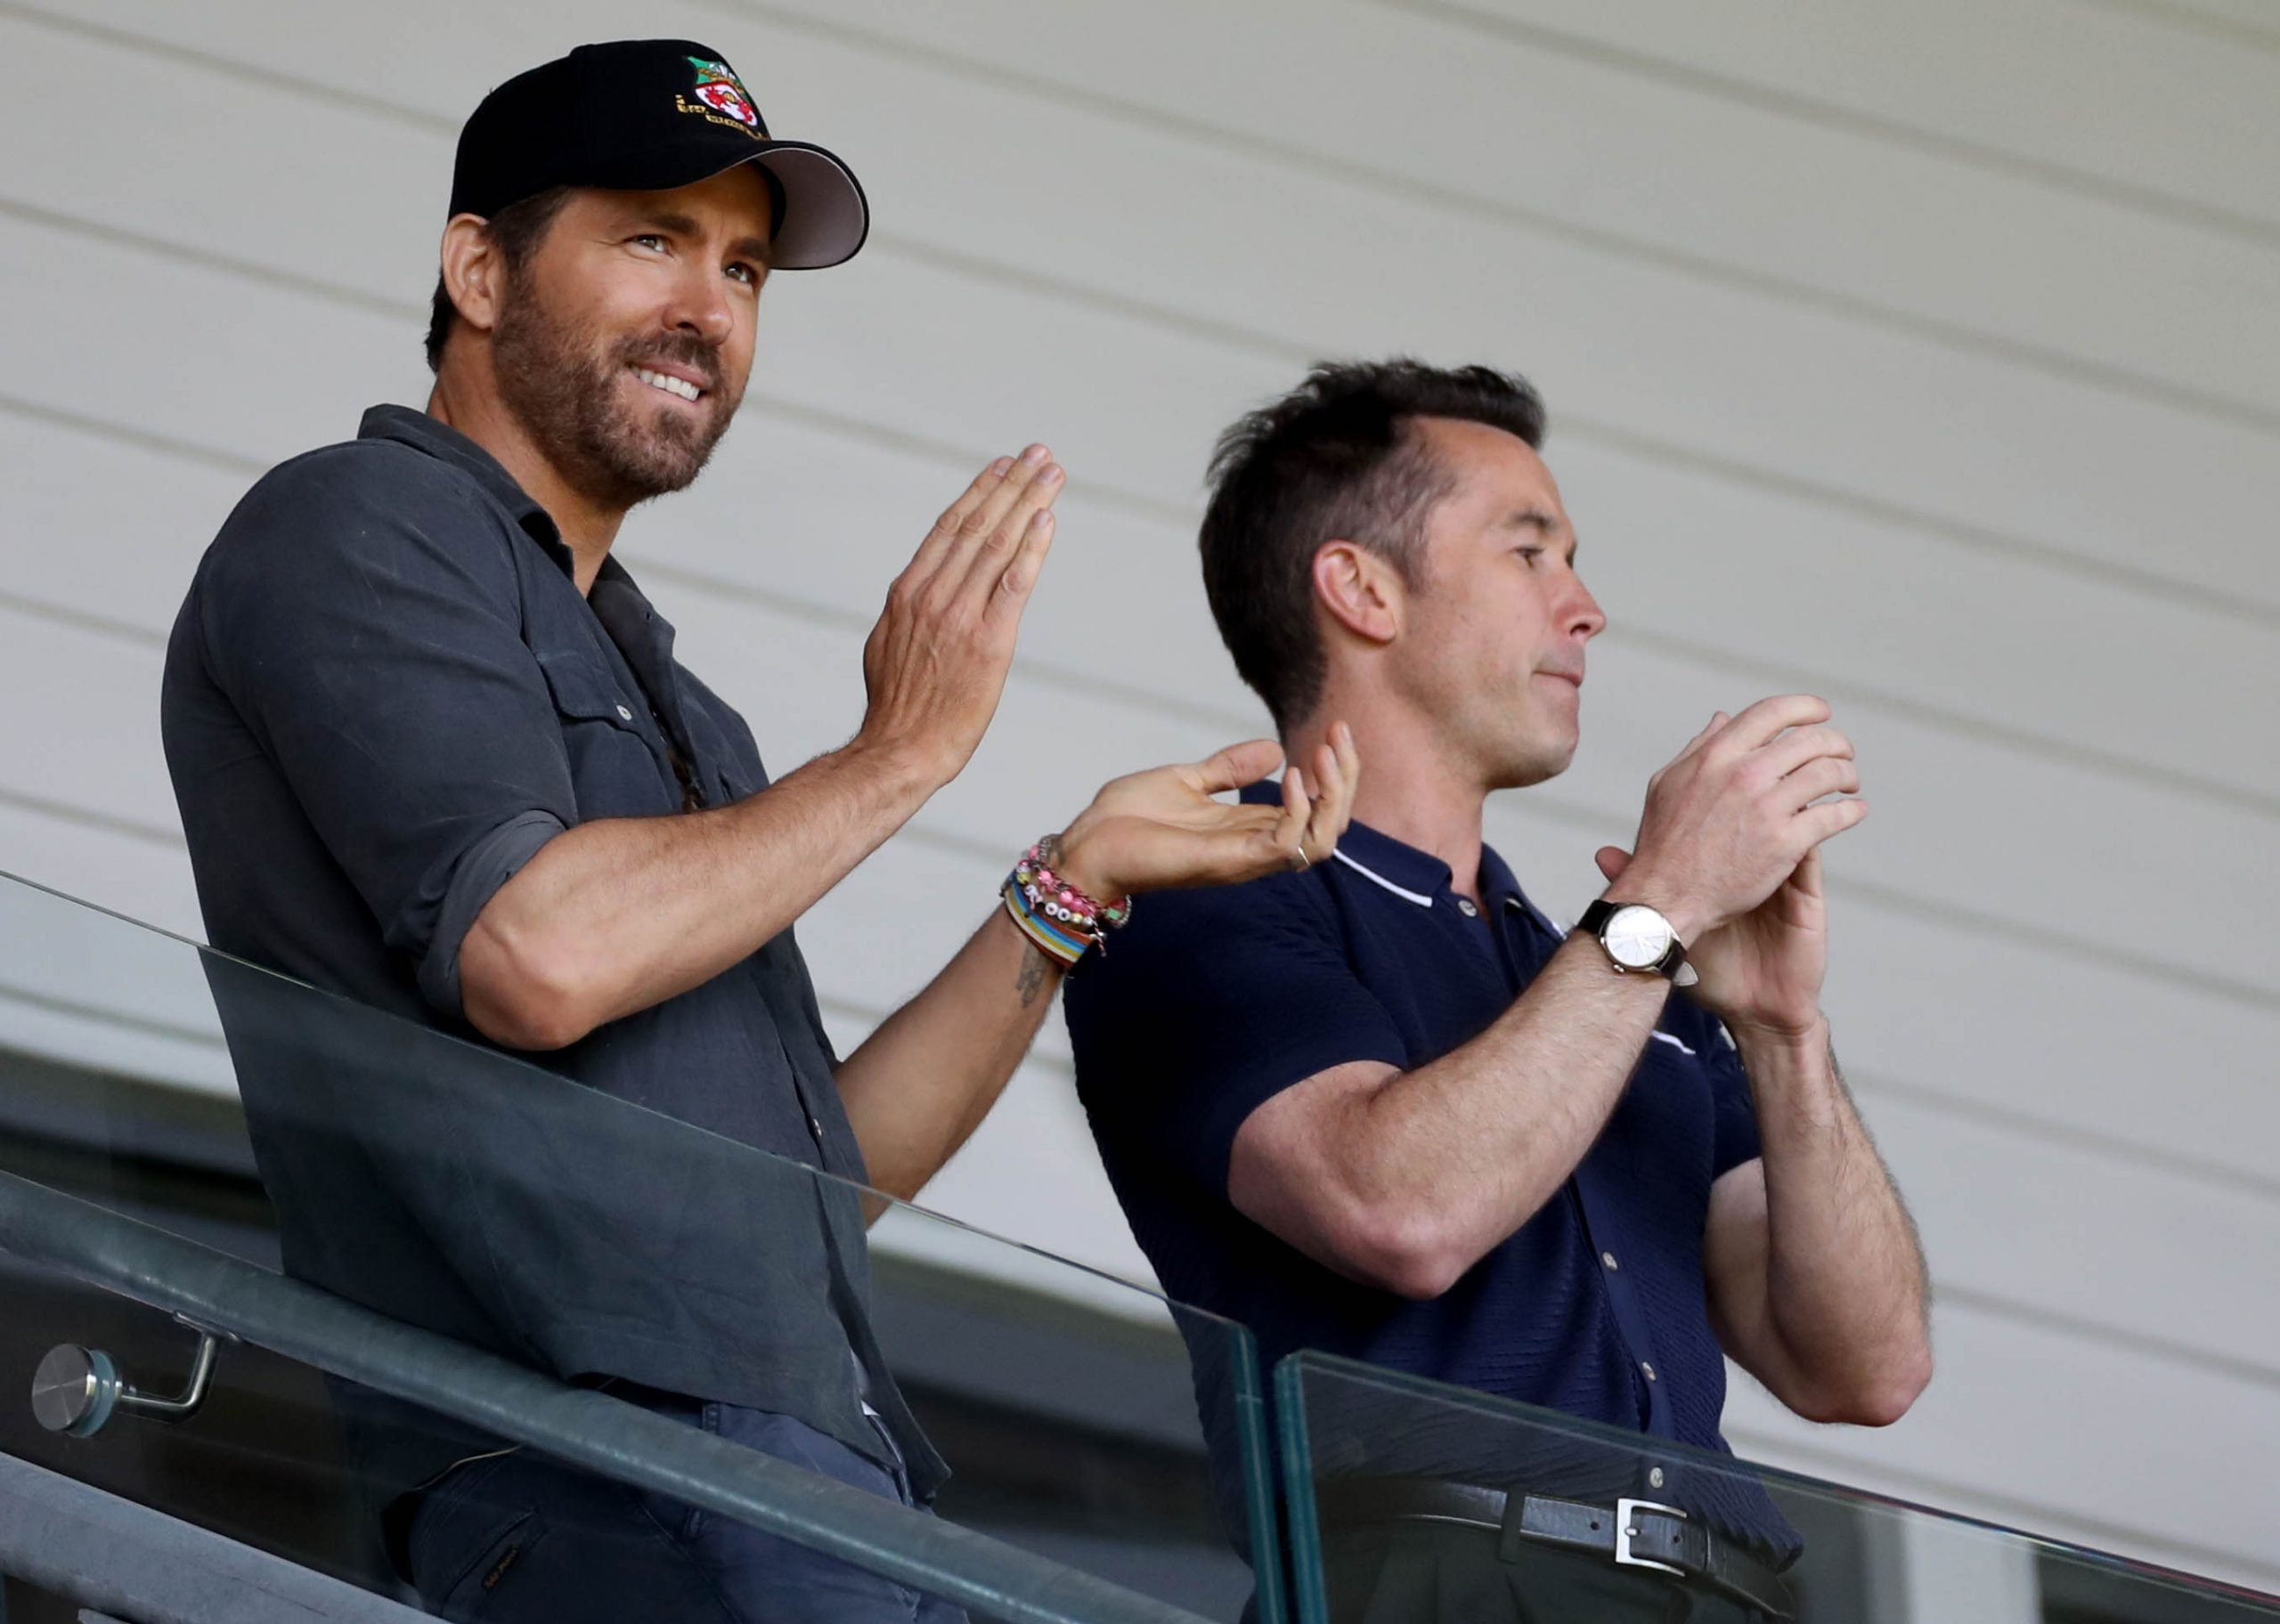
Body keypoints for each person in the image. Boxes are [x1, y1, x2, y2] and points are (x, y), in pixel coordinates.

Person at [159, 39, 1354, 1624]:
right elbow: (538, 954)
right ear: (478, 271)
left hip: (811, 1479)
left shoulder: (681, 703)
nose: (711, 308)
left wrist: (1067, 889)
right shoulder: (353, 524)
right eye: (650, 235)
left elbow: (824, 1181)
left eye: (744, 268)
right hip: (593, 1468)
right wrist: (901, 751)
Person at [1063, 361, 1933, 1622]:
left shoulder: (1608, 956)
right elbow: (1399, 1211)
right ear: (1362, 589)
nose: (1585, 611)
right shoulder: (1209, 880)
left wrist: (1785, 1029)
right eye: (1530, 554)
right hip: (1439, 1582)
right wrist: (1659, 911)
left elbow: (1865, 1370)